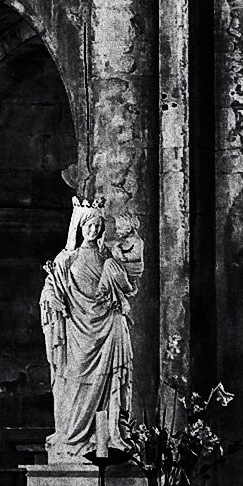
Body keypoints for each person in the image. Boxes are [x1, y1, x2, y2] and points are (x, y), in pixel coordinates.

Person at [40, 196, 143, 461]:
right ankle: (73, 437)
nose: (94, 230)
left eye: (98, 226)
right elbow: (51, 289)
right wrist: (53, 299)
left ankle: (109, 434)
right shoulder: (66, 259)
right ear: (80, 227)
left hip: (109, 327)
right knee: (74, 382)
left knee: (111, 382)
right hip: (77, 331)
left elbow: (129, 281)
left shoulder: (109, 257)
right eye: (89, 225)